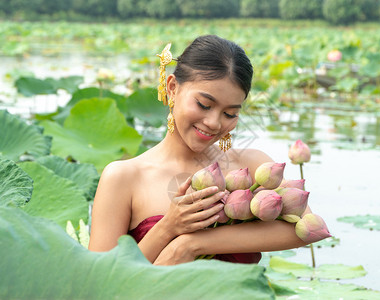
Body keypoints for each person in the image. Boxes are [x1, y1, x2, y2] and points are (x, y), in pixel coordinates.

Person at [88, 35, 311, 265]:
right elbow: (101, 280)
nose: (214, 123)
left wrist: (192, 244)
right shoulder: (124, 177)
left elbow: (306, 227)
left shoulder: (253, 165)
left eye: (230, 114)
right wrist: (167, 228)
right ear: (172, 88)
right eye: (204, 105)